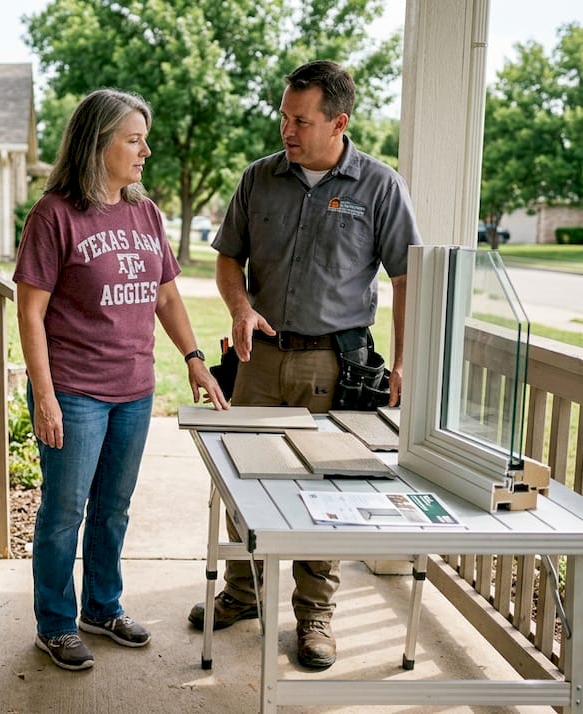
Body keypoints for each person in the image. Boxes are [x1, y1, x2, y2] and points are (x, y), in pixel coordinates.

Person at [187, 60, 421, 670]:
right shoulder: (258, 179)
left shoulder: (379, 186)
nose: (286, 130)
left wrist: (406, 361)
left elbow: (406, 279)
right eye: (283, 116)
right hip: (259, 360)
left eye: (300, 120)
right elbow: (227, 260)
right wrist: (239, 307)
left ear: (339, 122)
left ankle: (315, 614)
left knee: (330, 491)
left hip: (334, 366)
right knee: (243, 479)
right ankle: (243, 591)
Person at [14, 88, 230, 671]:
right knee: (64, 513)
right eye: (133, 140)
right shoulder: (54, 214)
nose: (146, 150)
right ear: (97, 142)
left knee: (114, 508)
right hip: (76, 391)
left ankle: (101, 608)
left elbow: (164, 293)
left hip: (134, 389)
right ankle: (55, 623)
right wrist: (45, 396)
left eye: (144, 139)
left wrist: (193, 356)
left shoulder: (146, 211)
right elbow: (30, 311)